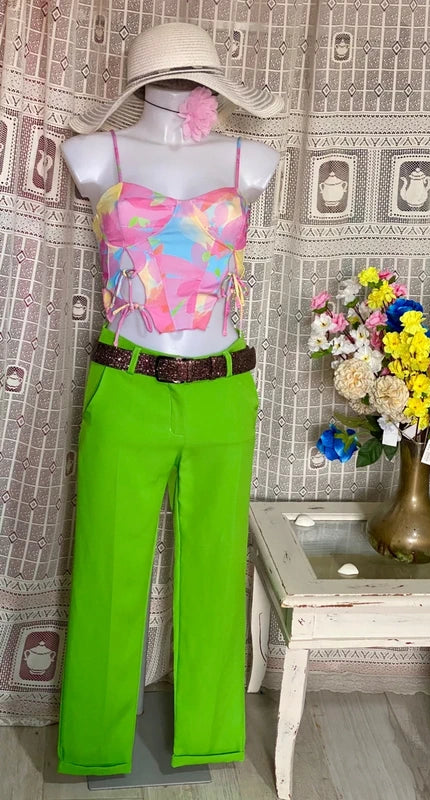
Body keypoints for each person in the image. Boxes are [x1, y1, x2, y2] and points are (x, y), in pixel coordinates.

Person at [57, 21, 281, 776]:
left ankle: (210, 738)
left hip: (222, 389)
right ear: (139, 81)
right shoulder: (96, 156)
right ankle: (93, 746)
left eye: (195, 76)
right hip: (126, 383)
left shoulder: (250, 159)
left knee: (215, 565)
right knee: (108, 565)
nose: (183, 86)